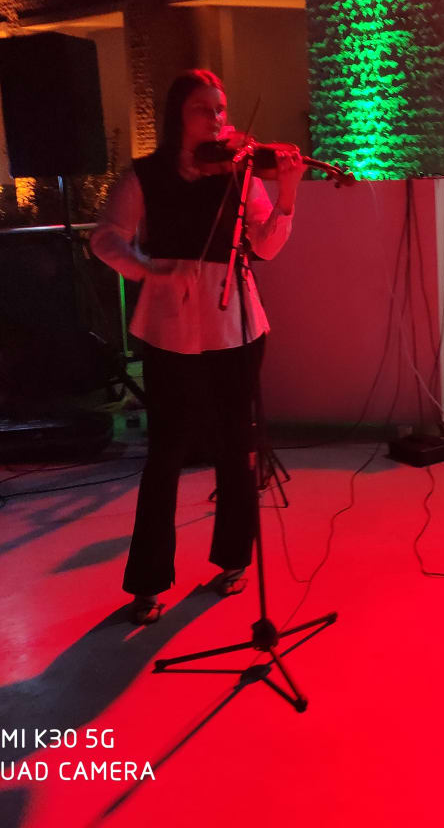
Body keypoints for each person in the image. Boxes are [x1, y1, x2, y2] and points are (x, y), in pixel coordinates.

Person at [91, 69, 306, 624]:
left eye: (220, 109)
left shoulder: (240, 170)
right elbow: (106, 239)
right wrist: (146, 271)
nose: (215, 119)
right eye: (202, 109)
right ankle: (147, 582)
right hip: (170, 321)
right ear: (177, 116)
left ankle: (234, 559)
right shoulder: (144, 175)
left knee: (236, 445)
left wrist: (287, 194)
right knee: (166, 451)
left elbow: (265, 247)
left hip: (235, 320)